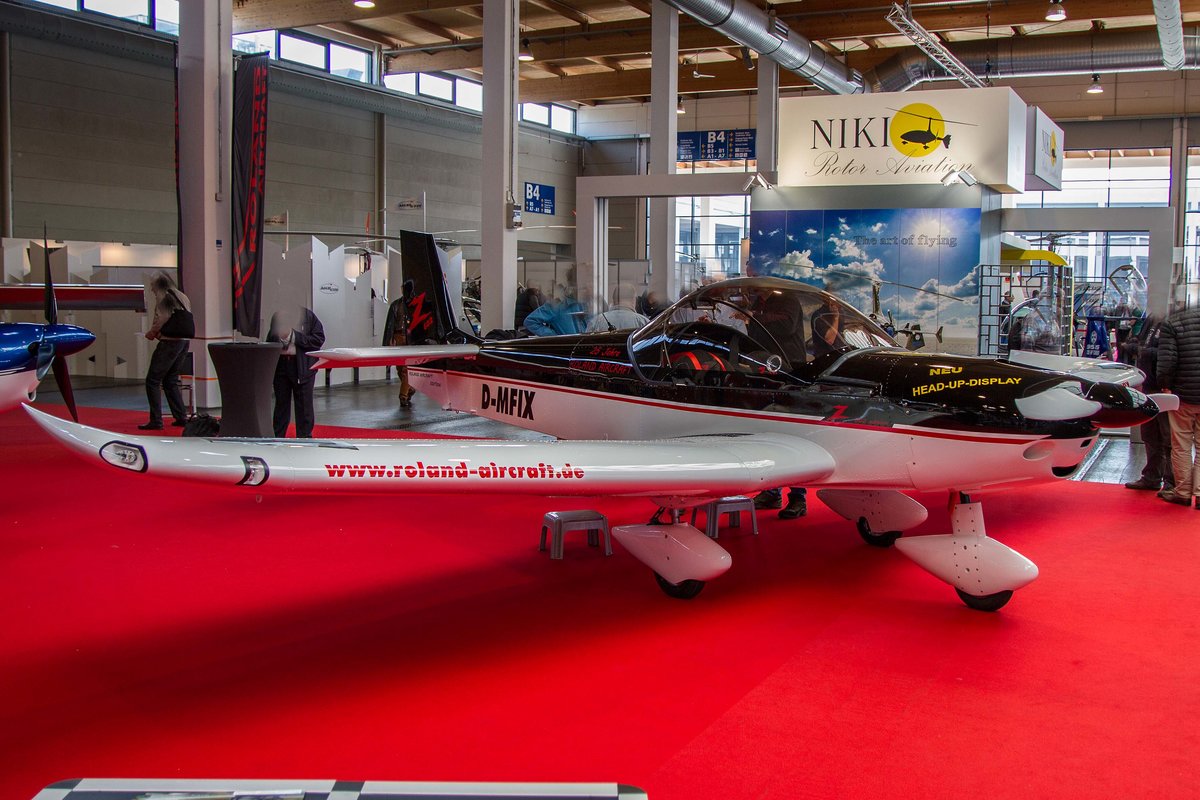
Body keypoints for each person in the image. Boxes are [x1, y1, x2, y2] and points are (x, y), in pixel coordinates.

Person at [1156, 303, 1200, 507]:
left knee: (1181, 445)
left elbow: (1167, 361)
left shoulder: (1173, 322)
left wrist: (1165, 385)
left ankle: (1182, 492)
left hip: (1182, 395)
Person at [1123, 317, 1174, 493]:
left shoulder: (1171, 321)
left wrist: (1143, 351)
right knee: (1150, 434)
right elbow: (1142, 342)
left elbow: (1169, 353)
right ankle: (1152, 477)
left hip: (1164, 386)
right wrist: (1133, 345)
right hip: (1149, 384)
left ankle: (1171, 482)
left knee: (1168, 437)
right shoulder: (1151, 319)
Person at [139, 271, 192, 431]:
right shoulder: (182, 295)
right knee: (170, 380)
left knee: (153, 380)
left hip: (170, 342)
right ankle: (181, 416)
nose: (151, 289)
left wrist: (152, 332)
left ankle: (156, 420)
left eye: (152, 286)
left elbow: (162, 318)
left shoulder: (164, 297)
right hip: (184, 341)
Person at [268, 306, 326, 438]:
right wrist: (281, 338)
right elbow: (270, 340)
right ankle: (278, 437)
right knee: (281, 404)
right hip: (281, 366)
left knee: (304, 405)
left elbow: (318, 340)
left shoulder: (308, 317)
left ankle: (304, 437)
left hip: (303, 367)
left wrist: (293, 336)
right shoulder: (278, 316)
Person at [382, 287, 415, 409]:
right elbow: (390, 324)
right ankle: (410, 388)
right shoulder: (395, 305)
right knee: (400, 368)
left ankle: (403, 395)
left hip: (411, 339)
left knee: (407, 369)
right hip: (398, 337)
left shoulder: (415, 305)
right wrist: (388, 341)